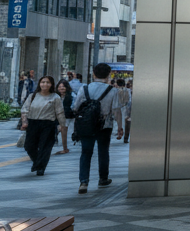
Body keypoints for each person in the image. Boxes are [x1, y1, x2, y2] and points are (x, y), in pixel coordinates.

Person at [71, 63, 122, 194]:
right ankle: (103, 178)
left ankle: (84, 182)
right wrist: (120, 127)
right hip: (105, 125)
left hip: (86, 125)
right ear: (109, 74)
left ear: (93, 74)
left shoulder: (84, 88)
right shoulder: (113, 91)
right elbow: (116, 110)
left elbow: (76, 107)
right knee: (103, 151)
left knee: (86, 152)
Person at [21, 76, 66, 176]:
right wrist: (25, 122)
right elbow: (25, 110)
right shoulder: (32, 96)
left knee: (45, 147)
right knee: (29, 146)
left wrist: (62, 125)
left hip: (48, 124)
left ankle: (41, 167)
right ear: (39, 84)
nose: (45, 84)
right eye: (43, 82)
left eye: (48, 82)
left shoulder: (55, 97)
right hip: (33, 123)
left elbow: (60, 112)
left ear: (52, 84)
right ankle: (37, 162)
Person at [54, 78, 74, 154]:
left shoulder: (71, 96)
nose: (61, 88)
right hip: (57, 117)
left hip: (68, 117)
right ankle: (63, 147)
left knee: (65, 131)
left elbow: (74, 106)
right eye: (60, 87)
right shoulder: (55, 96)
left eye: (63, 87)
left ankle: (65, 148)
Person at [115, 79, 133, 143]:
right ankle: (126, 138)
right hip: (127, 109)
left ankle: (119, 133)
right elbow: (129, 101)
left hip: (117, 109)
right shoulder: (128, 90)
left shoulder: (115, 91)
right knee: (127, 124)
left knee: (118, 123)